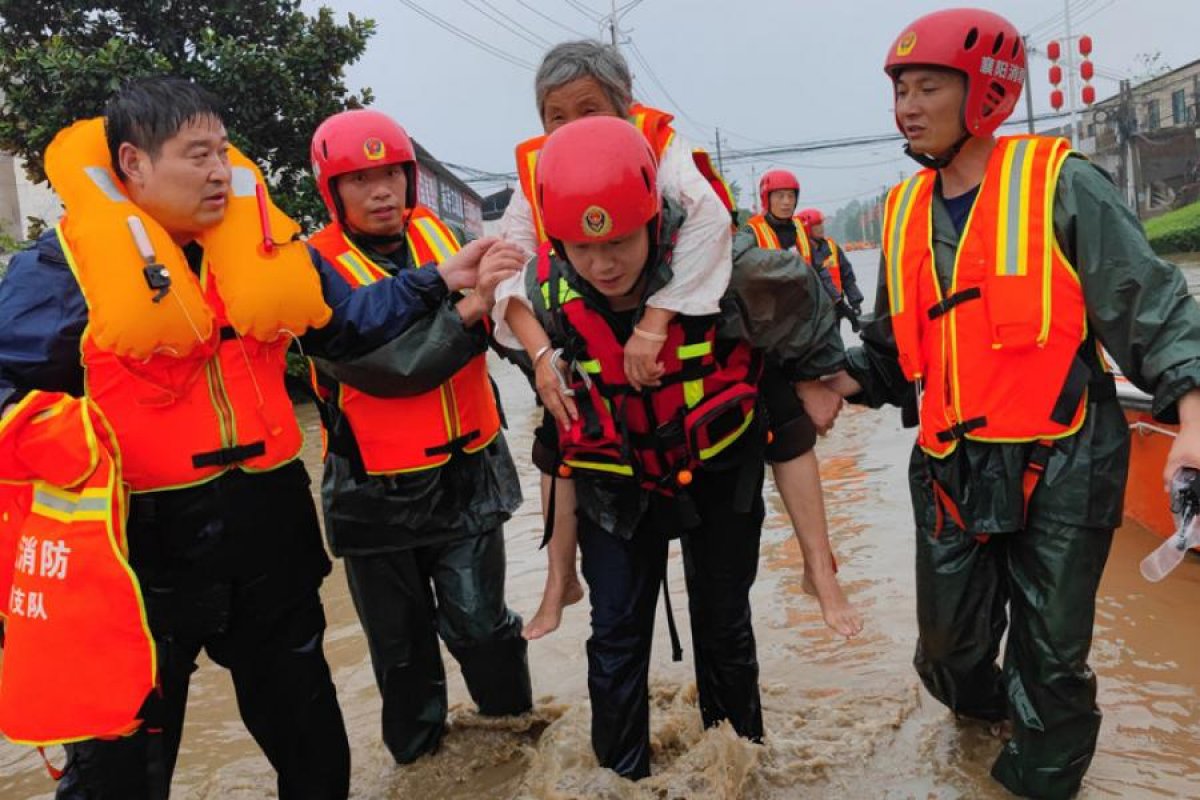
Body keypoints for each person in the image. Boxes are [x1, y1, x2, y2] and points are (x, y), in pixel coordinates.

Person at [0, 77, 492, 800]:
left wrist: (438, 279)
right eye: (196, 154)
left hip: (268, 533)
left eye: (223, 152)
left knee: (314, 749)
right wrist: (45, 435)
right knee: (120, 773)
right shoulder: (61, 271)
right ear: (134, 163)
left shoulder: (264, 247)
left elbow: (347, 322)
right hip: (142, 555)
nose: (217, 171)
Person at [824, 9, 1200, 798]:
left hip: (1065, 456)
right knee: (947, 655)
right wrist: (825, 381)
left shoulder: (1062, 182)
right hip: (952, 465)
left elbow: (1152, 308)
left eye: (928, 89)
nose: (907, 107)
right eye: (900, 90)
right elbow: (891, 354)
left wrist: (1193, 418)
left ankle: (1035, 776)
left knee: (1051, 663)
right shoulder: (903, 213)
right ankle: (990, 722)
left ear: (986, 93)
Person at [495, 39, 859, 641]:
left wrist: (654, 322)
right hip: (596, 316)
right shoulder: (539, 172)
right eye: (555, 117)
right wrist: (539, 356)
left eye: (589, 110)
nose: (571, 128)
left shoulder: (660, 147)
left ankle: (819, 561)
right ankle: (560, 578)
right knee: (558, 430)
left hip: (697, 283)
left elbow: (711, 222)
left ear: (624, 104)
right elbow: (508, 267)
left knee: (770, 322)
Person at [523, 115, 768, 780]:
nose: (603, 264)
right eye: (582, 248)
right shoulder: (546, 296)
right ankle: (619, 781)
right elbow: (552, 437)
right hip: (614, 484)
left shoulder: (724, 272)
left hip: (717, 472)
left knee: (724, 624)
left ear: (655, 223)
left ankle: (741, 770)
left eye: (620, 242)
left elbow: (794, 372)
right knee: (616, 634)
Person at [305, 109, 533, 764]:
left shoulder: (445, 235)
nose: (381, 191)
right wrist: (471, 304)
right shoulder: (312, 268)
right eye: (360, 179)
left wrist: (550, 367)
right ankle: (419, 768)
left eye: (392, 175)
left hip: (467, 473)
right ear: (332, 190)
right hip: (373, 492)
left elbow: (510, 320)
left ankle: (517, 747)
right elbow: (393, 368)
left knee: (483, 628)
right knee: (401, 654)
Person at [797, 207, 865, 330]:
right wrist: (841, 305)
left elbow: (847, 276)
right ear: (806, 229)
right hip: (816, 311)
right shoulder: (801, 253)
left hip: (836, 307)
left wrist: (855, 302)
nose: (821, 228)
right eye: (816, 225)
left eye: (821, 224)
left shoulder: (832, 247)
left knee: (836, 339)